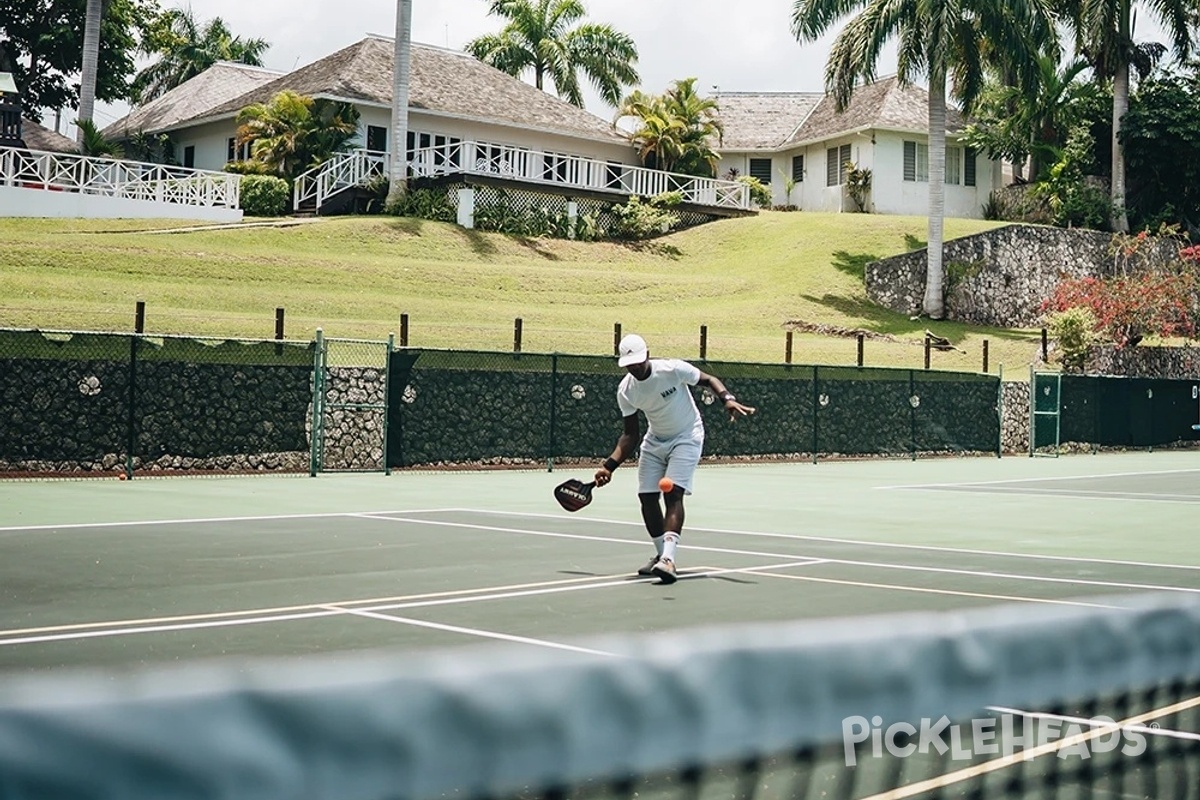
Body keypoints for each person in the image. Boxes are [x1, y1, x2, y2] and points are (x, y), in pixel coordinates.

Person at [594, 333, 756, 585]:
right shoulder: (626, 390)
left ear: (647, 355)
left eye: (637, 361)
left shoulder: (672, 369)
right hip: (655, 440)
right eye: (628, 365)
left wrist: (728, 399)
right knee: (647, 497)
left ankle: (669, 560)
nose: (634, 368)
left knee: (673, 493)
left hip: (687, 436)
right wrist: (609, 465)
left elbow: (709, 379)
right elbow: (630, 434)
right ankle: (661, 554)